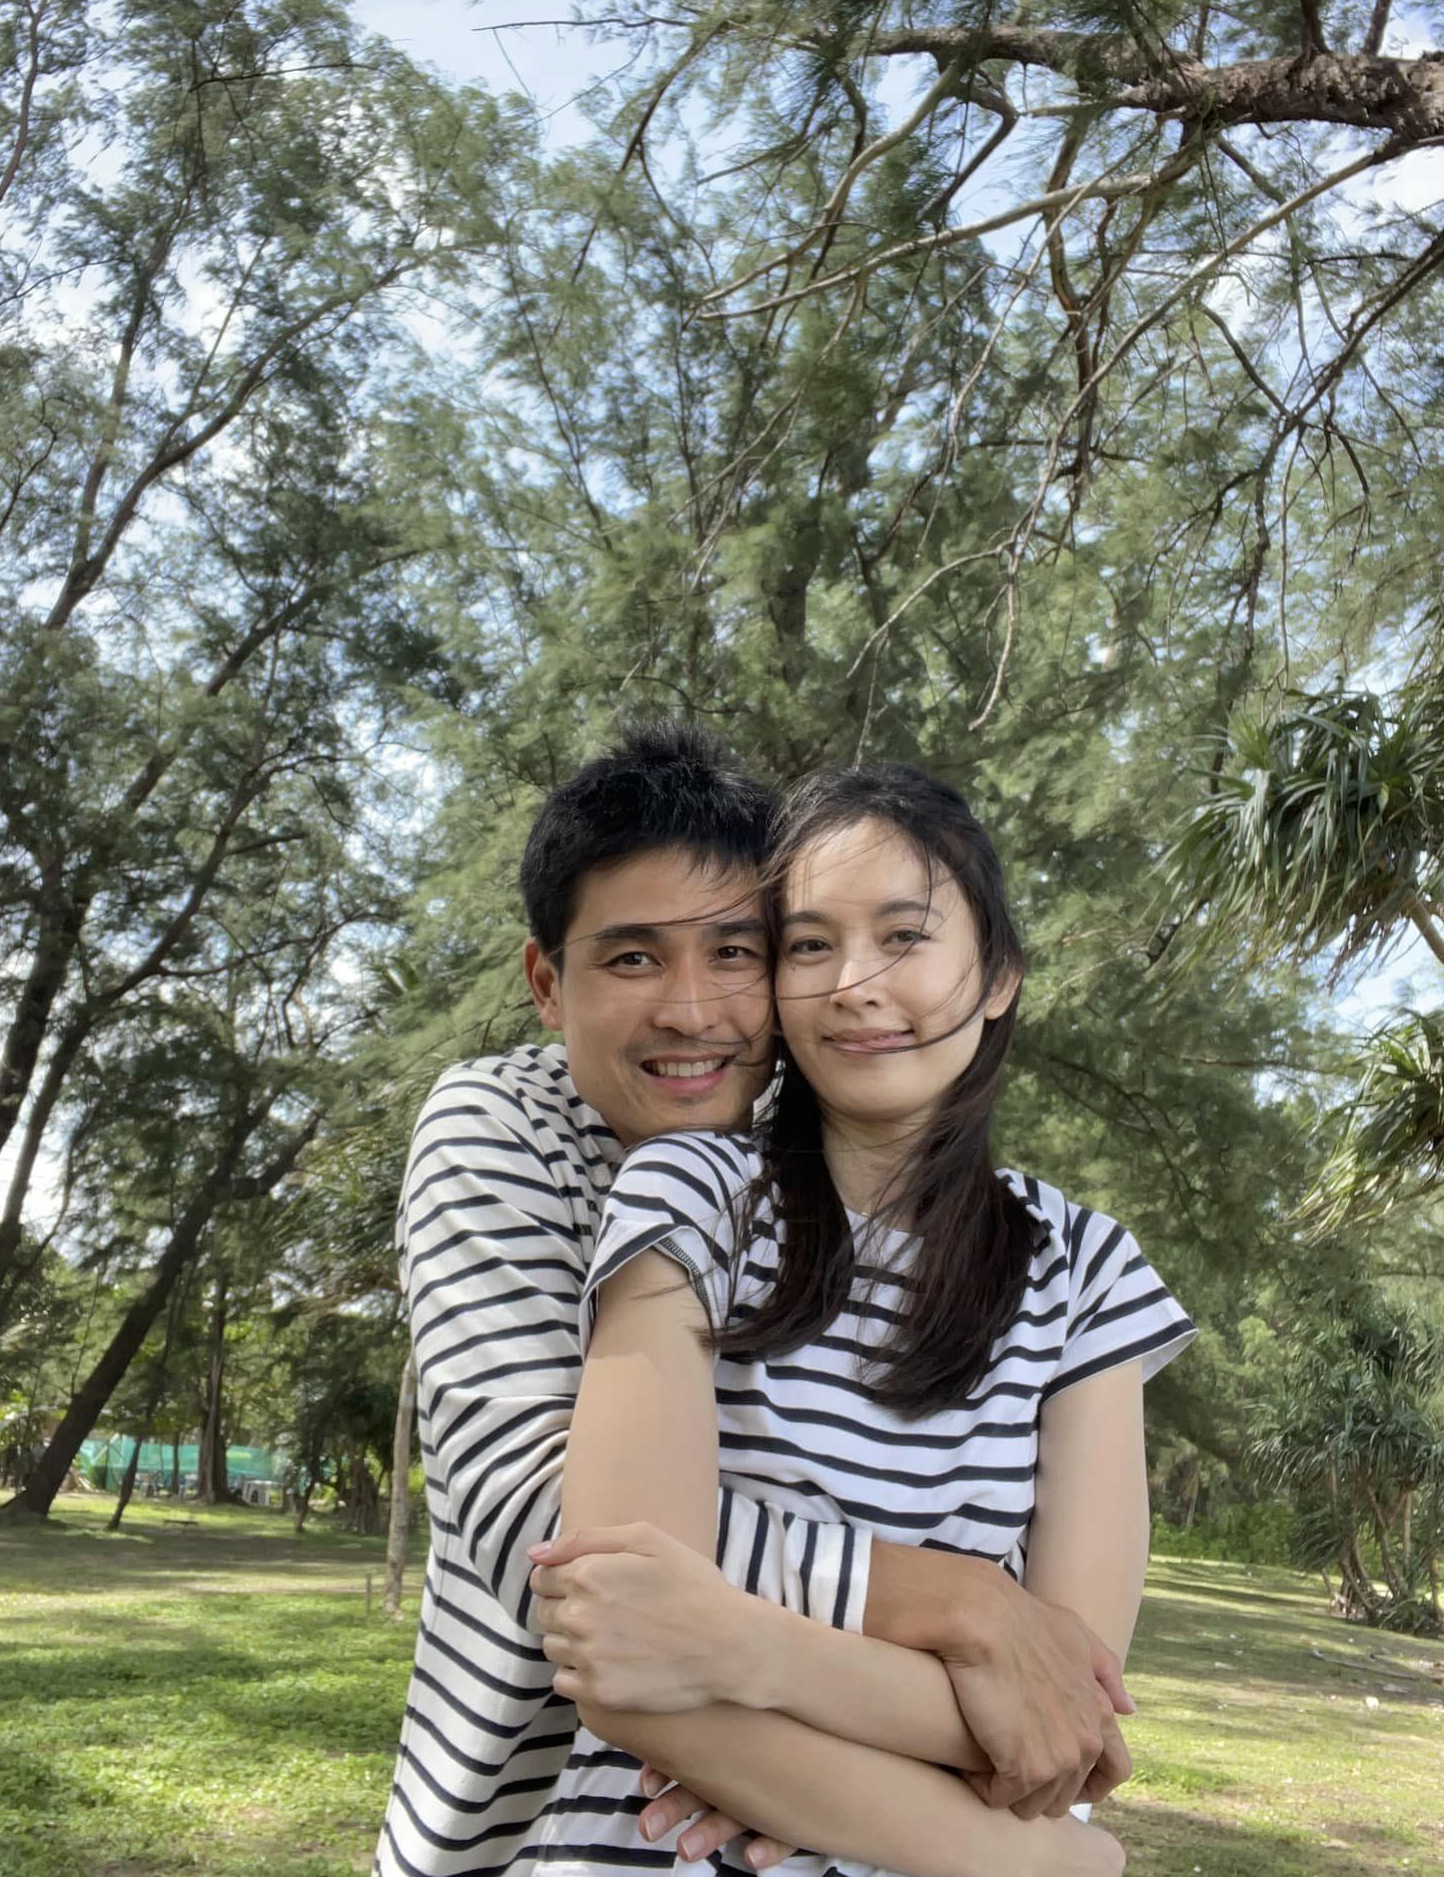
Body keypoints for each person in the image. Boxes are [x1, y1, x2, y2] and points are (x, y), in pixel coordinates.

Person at [375, 728, 1139, 1877]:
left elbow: (1064, 1706)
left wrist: (758, 1674)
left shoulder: (1057, 1258)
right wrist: (964, 1608)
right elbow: (573, 1557)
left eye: (737, 949)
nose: (693, 1010)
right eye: (633, 957)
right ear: (547, 983)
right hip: (526, 1823)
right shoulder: (517, 1133)